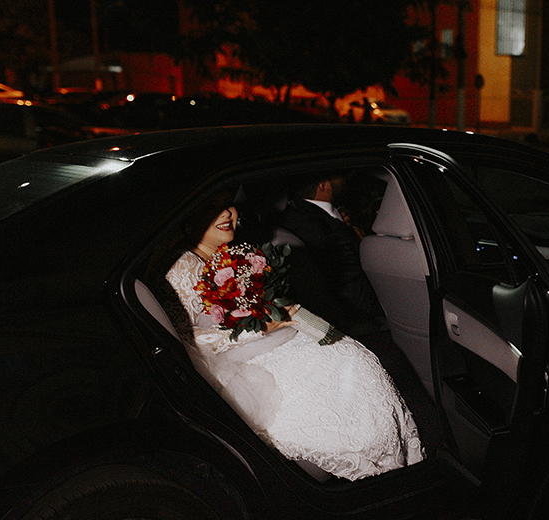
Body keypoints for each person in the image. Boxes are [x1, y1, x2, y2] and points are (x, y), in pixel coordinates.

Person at [164, 194, 424, 481]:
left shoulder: (238, 253)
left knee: (349, 354)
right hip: (239, 356)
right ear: (186, 217)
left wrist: (278, 313)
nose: (226, 213)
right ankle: (368, 465)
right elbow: (187, 339)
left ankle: (390, 463)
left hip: (277, 335)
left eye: (227, 204)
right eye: (211, 208)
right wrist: (258, 328)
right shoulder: (181, 268)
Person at [276, 171, 386, 333]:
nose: (344, 178)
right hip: (359, 316)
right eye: (339, 174)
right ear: (323, 186)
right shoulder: (325, 232)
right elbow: (351, 283)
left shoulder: (297, 214)